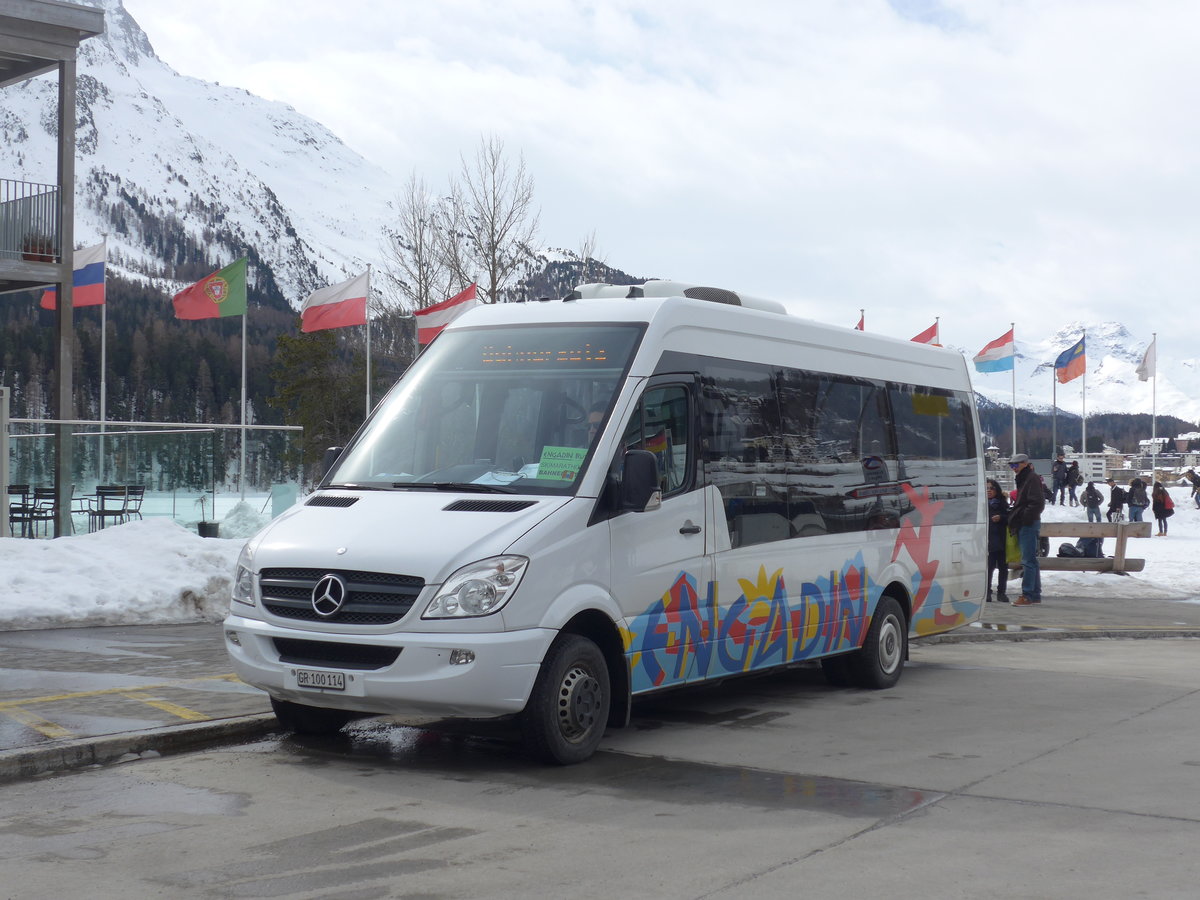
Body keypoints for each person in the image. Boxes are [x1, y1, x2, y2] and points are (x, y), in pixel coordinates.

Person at [1008, 453, 1045, 606]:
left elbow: (1037, 503)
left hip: (1028, 524)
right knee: (1032, 561)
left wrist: (1024, 517)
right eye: (1011, 466)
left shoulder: (1031, 478)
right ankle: (1035, 594)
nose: (1013, 469)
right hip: (1028, 522)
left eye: (1015, 465)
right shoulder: (1026, 478)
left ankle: (1027, 595)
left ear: (1024, 464)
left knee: (1028, 561)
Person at [985, 478, 1009, 603]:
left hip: (1001, 539)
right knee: (989, 567)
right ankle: (987, 592)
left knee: (1003, 568)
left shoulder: (1002, 502)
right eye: (987, 488)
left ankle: (1001, 592)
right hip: (988, 541)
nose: (989, 491)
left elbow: (1009, 517)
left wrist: (1001, 518)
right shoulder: (982, 504)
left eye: (991, 488)